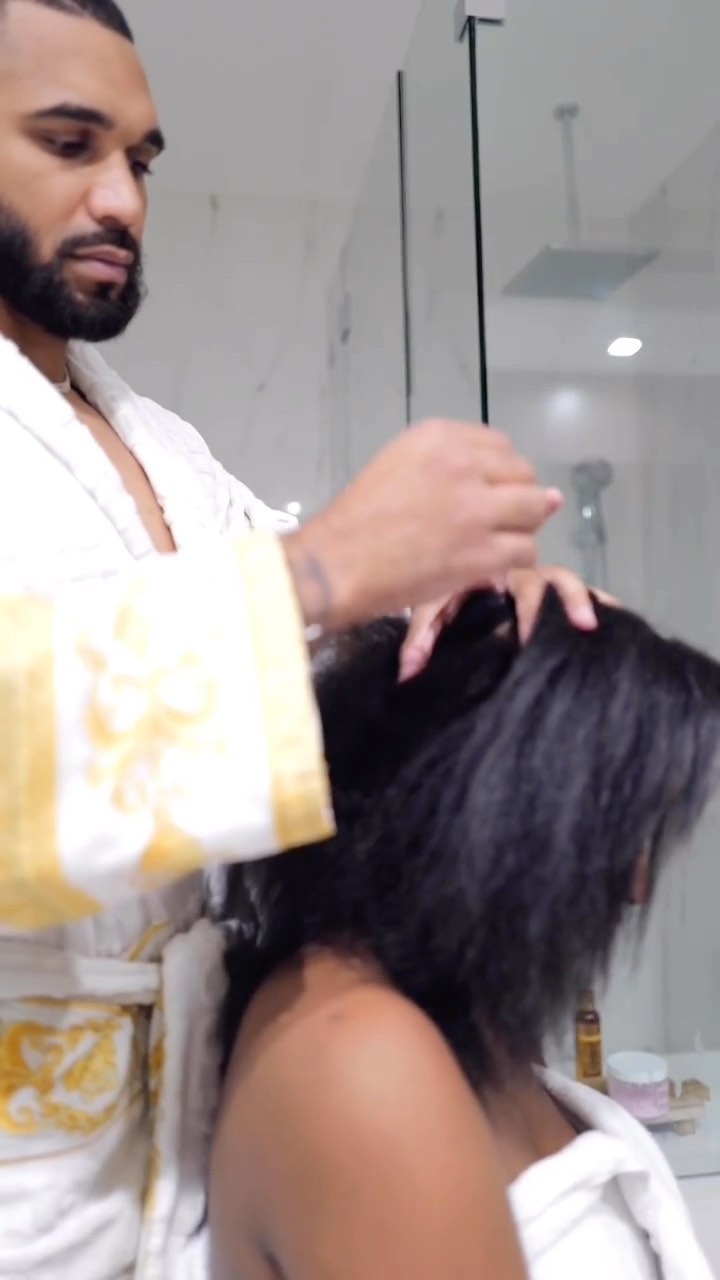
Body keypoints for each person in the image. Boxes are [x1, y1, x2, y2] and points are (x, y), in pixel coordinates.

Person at [0, 0, 604, 1275]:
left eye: (143, 160)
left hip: (190, 1164)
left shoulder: (160, 445)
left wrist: (444, 591)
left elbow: (301, 657)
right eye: (69, 143)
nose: (123, 200)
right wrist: (330, 564)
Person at [214, 590, 720, 1279]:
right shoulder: (361, 1063)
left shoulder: (462, 1019)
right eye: (624, 834)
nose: (638, 889)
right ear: (517, 812)